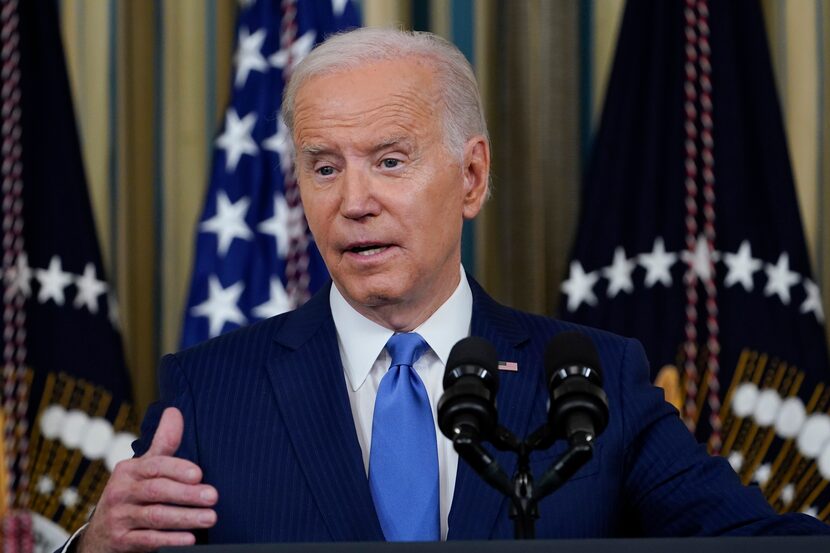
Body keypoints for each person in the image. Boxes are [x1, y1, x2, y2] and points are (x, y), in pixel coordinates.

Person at [72, 27, 829, 552]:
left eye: (390, 160)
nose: (354, 200)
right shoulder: (208, 392)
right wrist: (96, 543)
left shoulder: (596, 380)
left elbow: (751, 543)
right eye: (324, 166)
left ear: (471, 176)